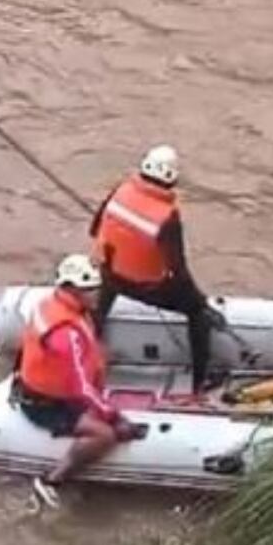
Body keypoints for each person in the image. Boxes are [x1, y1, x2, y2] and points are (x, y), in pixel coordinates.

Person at [88, 143, 224, 398]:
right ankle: (199, 384)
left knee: (98, 309)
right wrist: (200, 301)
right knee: (197, 315)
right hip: (146, 285)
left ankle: (88, 359)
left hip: (111, 275)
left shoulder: (120, 191)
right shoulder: (167, 217)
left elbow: (95, 229)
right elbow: (178, 270)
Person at [12, 253, 137, 510]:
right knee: (103, 435)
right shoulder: (65, 333)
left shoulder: (54, 305)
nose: (96, 295)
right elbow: (81, 387)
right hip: (47, 402)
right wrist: (113, 417)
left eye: (96, 288)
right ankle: (52, 480)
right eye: (89, 290)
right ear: (71, 289)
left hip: (47, 385)